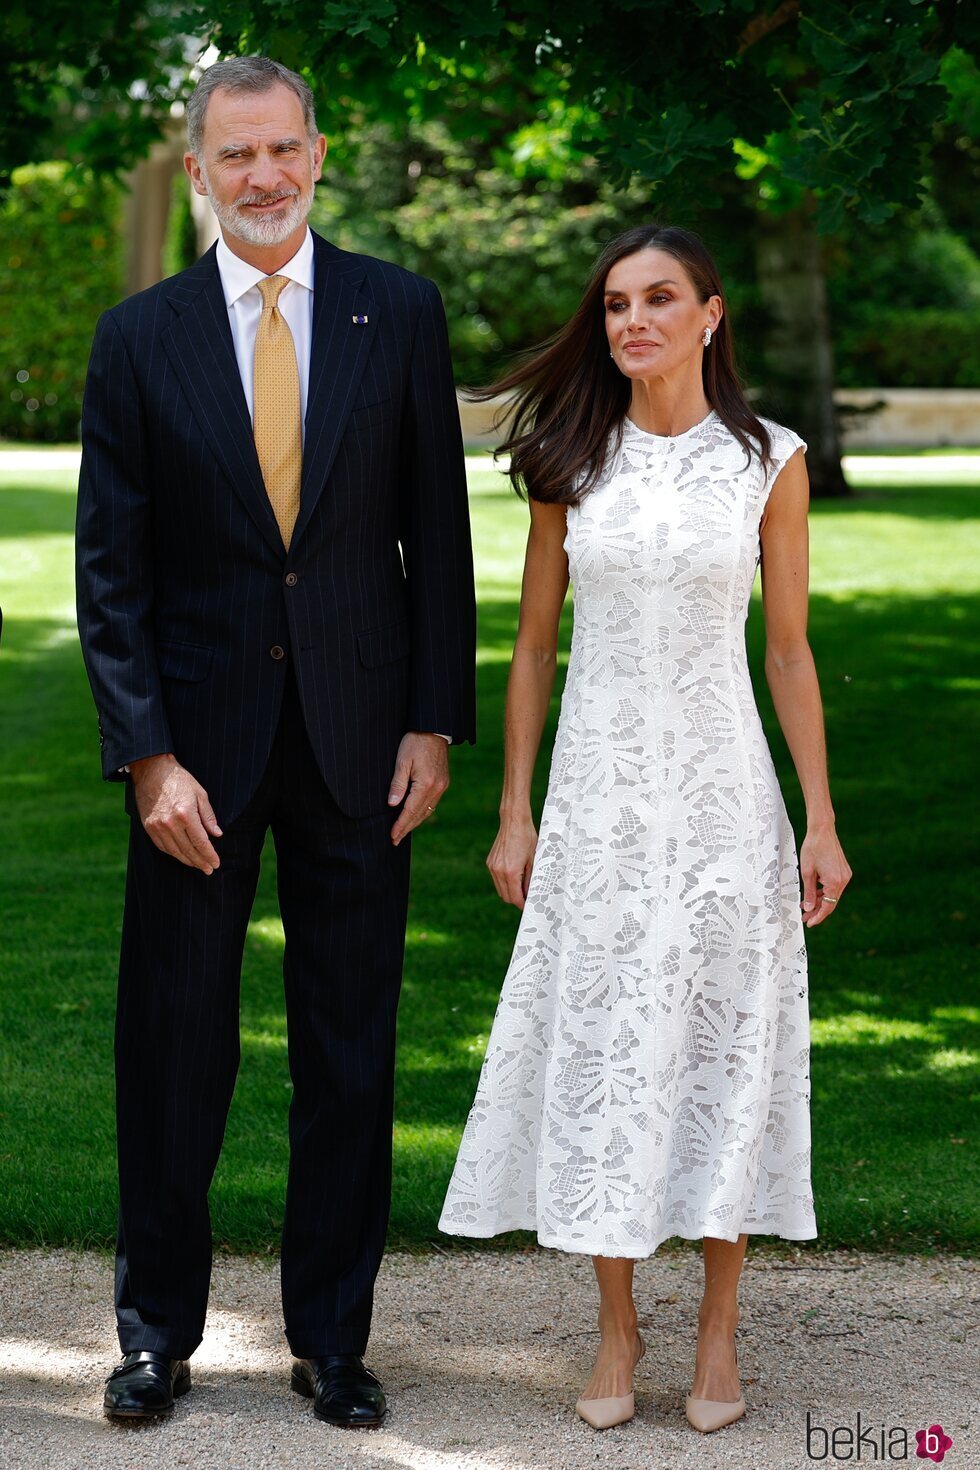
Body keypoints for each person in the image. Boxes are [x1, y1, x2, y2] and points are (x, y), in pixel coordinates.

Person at [75, 55, 476, 1428]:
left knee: (350, 1052)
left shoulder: (399, 311)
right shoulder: (141, 337)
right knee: (175, 1044)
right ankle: (154, 1335)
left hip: (364, 741)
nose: (263, 176)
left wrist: (434, 718)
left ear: (319, 155)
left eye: (284, 150)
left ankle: (331, 1339)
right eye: (235, 154)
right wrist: (145, 755)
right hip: (194, 753)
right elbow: (109, 574)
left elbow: (440, 533)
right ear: (199, 169)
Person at [439, 223, 851, 1433]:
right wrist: (513, 810)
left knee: (725, 1045)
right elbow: (528, 649)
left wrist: (817, 819)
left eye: (658, 299)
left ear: (710, 315)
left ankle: (718, 1330)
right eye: (616, 303)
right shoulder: (571, 455)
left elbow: (786, 650)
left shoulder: (769, 458)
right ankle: (615, 1326)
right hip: (598, 804)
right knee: (604, 1049)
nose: (632, 322)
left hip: (725, 795)